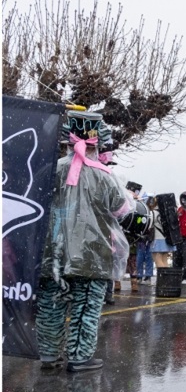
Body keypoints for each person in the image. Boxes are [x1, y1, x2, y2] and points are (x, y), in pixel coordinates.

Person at [36, 112, 133, 372]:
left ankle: (48, 353)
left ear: (67, 141)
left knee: (52, 304)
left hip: (53, 252)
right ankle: (79, 357)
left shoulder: (49, 170)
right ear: (98, 143)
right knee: (85, 306)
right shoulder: (106, 177)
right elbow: (121, 210)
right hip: (92, 253)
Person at [134, 195, 158, 288]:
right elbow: (140, 223)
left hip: (146, 238)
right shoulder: (144, 213)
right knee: (143, 257)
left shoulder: (147, 213)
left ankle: (144, 276)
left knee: (146, 257)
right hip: (144, 238)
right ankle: (143, 276)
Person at [149, 195, 177, 269]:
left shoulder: (153, 213)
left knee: (158, 260)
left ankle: (162, 278)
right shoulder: (168, 212)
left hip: (157, 239)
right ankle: (166, 278)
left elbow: (149, 225)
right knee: (164, 260)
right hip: (167, 239)